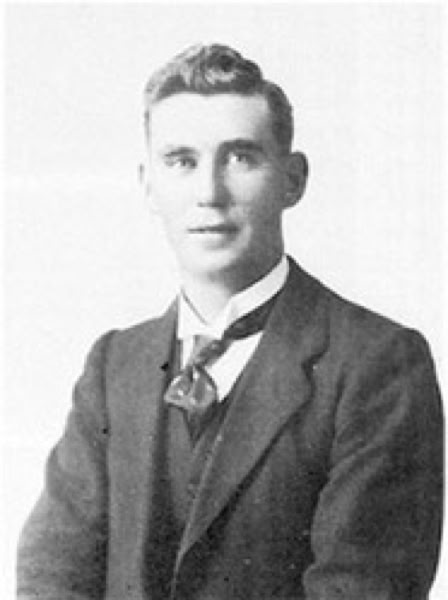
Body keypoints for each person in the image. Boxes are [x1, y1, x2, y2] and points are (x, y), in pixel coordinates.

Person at [17, 43, 443, 600]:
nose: (209, 193)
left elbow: (362, 588)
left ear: (293, 179)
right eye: (182, 161)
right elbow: (52, 575)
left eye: (240, 158)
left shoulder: (378, 363)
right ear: (148, 185)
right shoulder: (113, 366)